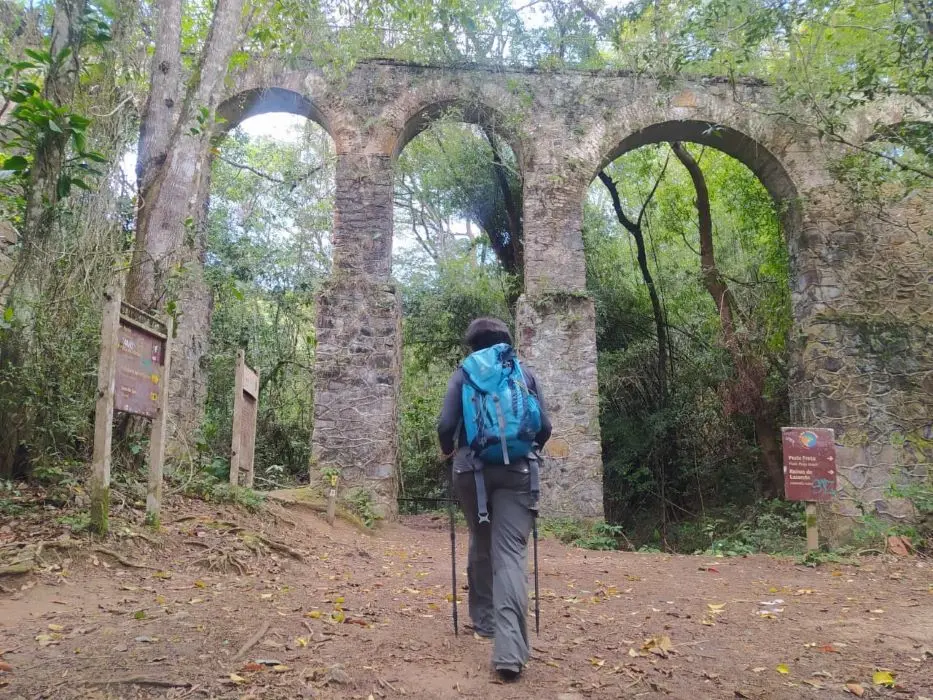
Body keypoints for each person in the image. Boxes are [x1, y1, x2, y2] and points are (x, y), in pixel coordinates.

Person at [437, 317, 552, 682]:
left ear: (472, 345)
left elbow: (445, 425)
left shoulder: (463, 375)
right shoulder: (522, 373)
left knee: (480, 539)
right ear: (505, 341)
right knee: (511, 557)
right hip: (518, 472)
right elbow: (545, 426)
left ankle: (484, 622)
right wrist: (531, 451)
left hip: (472, 473)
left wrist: (447, 452)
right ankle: (509, 652)